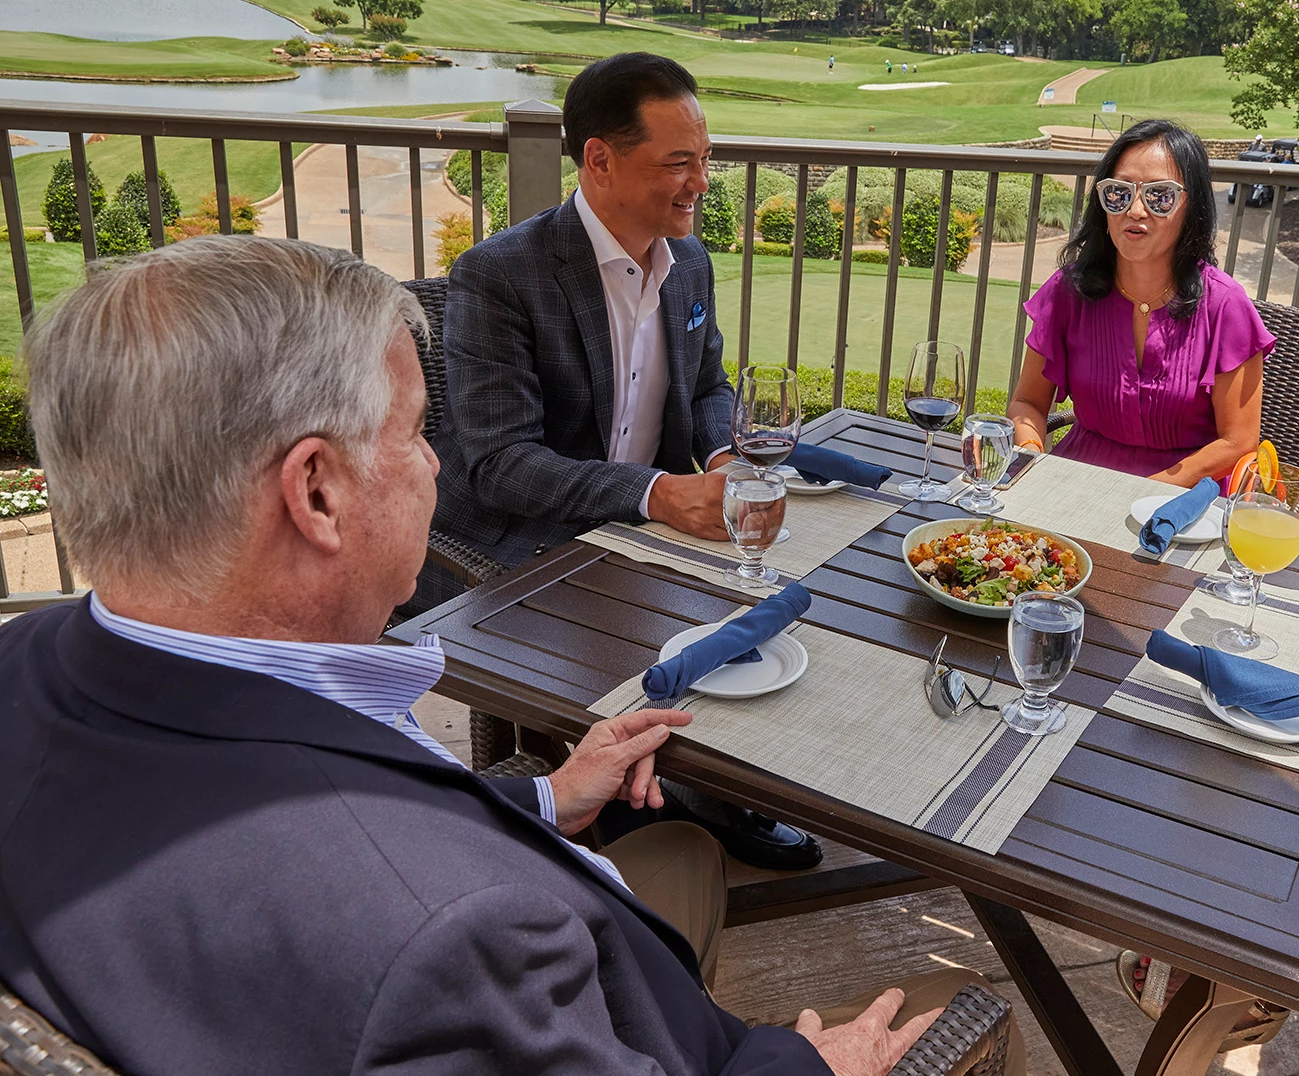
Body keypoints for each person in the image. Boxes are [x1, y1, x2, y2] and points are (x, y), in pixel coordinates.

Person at [0, 236, 1023, 1076]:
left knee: (682, 853)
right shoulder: (451, 944)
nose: (439, 460)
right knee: (957, 1012)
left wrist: (541, 803)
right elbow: (406, 901)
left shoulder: (25, 664)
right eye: (412, 432)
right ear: (315, 492)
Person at [425, 51, 821, 870]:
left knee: (776, 585)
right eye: (678, 163)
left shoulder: (691, 263)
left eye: (705, 160)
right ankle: (648, 796)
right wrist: (656, 494)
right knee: (695, 607)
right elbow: (498, 466)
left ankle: (716, 788)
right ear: (598, 159)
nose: (701, 183)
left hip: (636, 519)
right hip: (518, 538)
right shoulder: (499, 276)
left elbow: (709, 384)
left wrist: (721, 459)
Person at [1006, 119, 1273, 487]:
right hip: (1076, 483)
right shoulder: (1068, 292)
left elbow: (1237, 442)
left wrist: (1141, 493)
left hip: (1180, 501)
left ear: (1189, 206)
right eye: (1118, 193)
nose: (1134, 210)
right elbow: (1028, 404)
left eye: (1159, 196)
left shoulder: (1225, 306)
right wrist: (1033, 454)